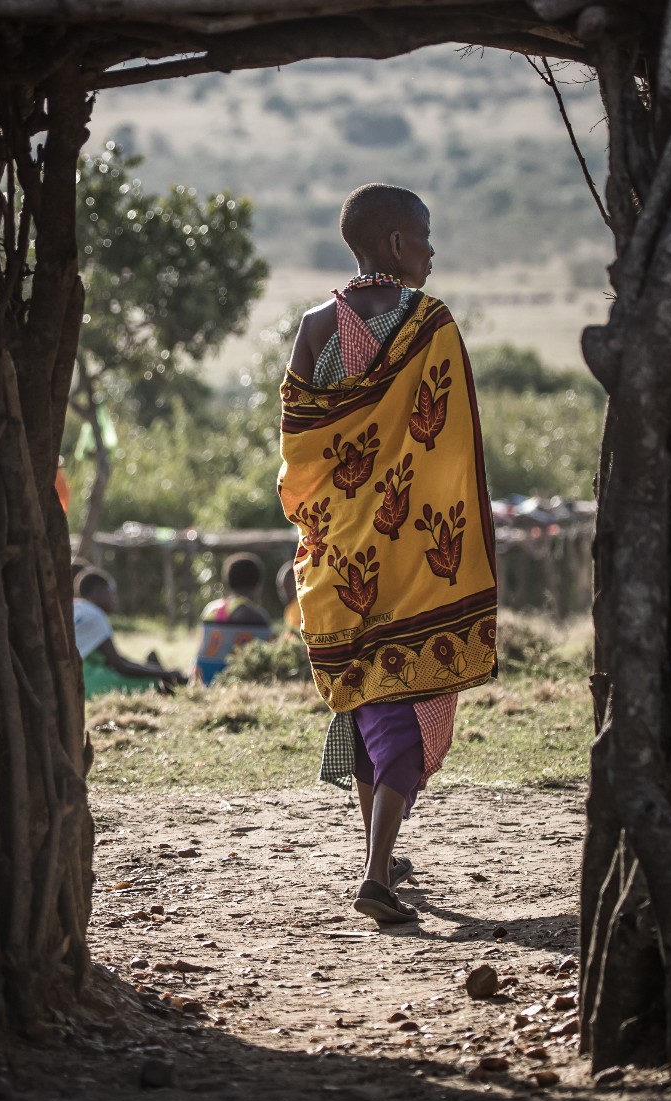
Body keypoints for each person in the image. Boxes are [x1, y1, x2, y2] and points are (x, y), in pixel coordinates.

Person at [277, 183, 498, 925]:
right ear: (399, 244)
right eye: (426, 237)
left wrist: (327, 517)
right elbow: (450, 447)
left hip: (342, 554)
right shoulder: (430, 323)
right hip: (414, 552)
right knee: (404, 698)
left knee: (373, 695)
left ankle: (382, 849)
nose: (433, 251)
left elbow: (299, 448)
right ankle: (376, 875)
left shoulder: (315, 326)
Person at [74, 568, 187, 698]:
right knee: (159, 684)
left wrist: (154, 670)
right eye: (111, 593)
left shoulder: (78, 608)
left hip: (78, 681)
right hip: (91, 684)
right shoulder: (94, 614)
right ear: (98, 591)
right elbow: (119, 665)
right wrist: (164, 674)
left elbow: (114, 660)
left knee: (157, 675)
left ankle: (154, 666)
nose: (114, 599)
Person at [195, 552, 276, 685]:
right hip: (235, 681)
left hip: (203, 678)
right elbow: (267, 658)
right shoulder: (257, 616)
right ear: (258, 583)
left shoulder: (210, 609)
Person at [276, 559, 301, 634]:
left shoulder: (299, 606)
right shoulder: (289, 608)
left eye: (288, 586)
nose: (284, 592)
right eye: (281, 588)